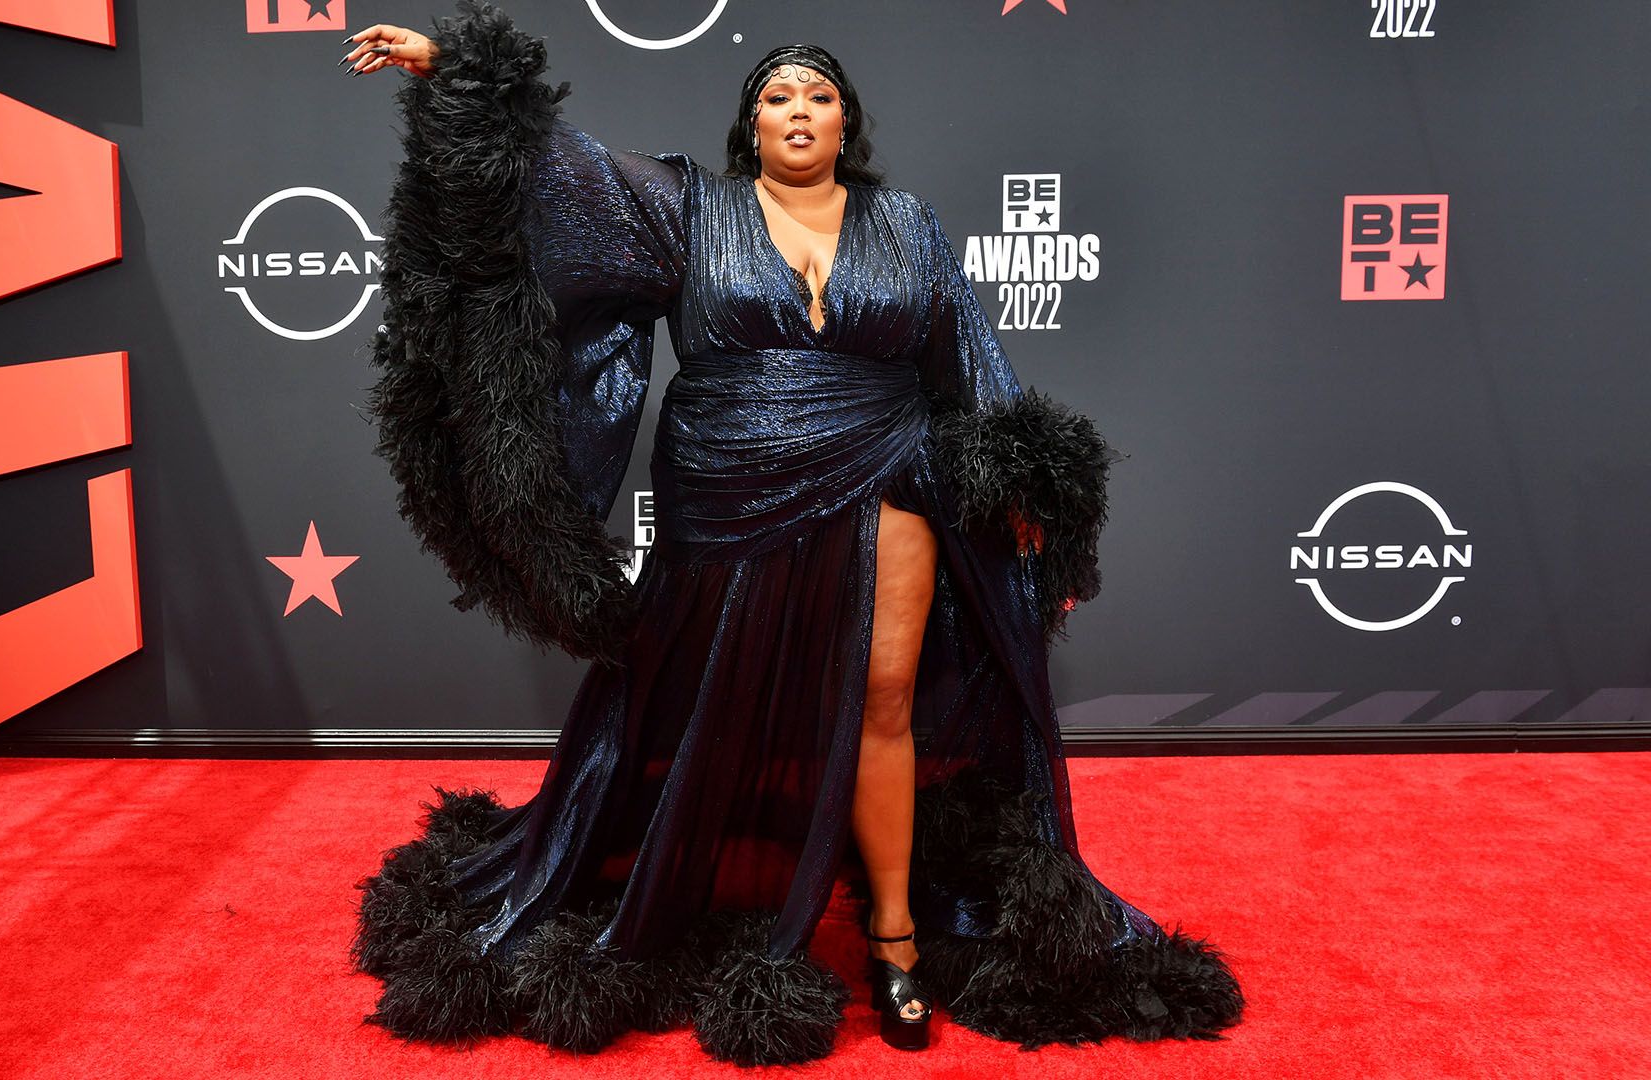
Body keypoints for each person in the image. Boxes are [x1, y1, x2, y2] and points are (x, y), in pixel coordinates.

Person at [342, 2, 1243, 1065]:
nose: (800, 108)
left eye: (820, 94)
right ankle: (690, 883)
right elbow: (564, 175)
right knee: (708, 690)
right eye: (778, 96)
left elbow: (964, 349)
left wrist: (1026, 490)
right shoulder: (688, 207)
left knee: (888, 698)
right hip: (727, 488)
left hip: (888, 465)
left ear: (846, 121)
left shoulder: (906, 221)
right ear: (752, 125)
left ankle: (896, 940)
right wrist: (457, 71)